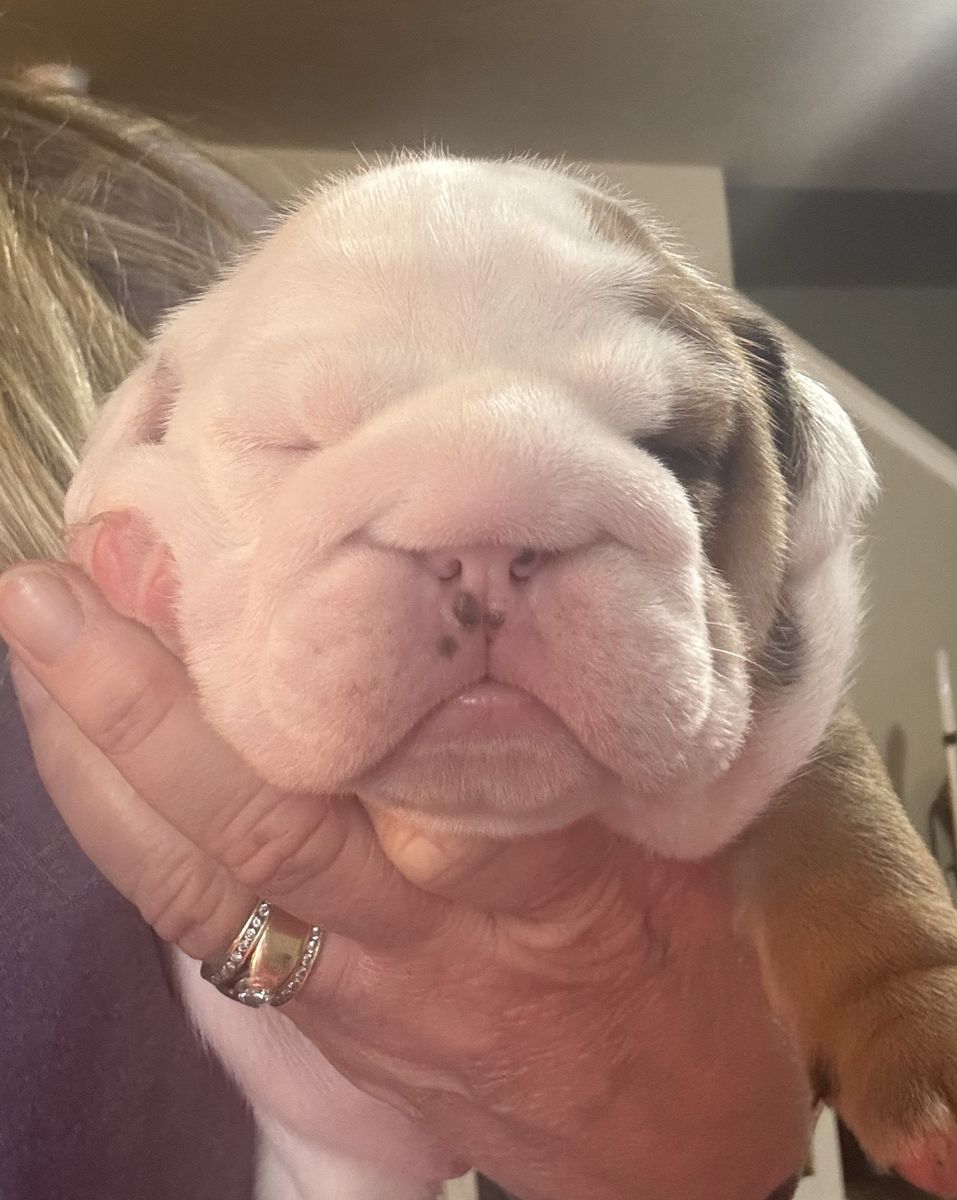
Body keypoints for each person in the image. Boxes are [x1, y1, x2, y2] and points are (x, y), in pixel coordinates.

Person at [0, 76, 810, 1200]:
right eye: (300, 445)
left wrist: (686, 1129)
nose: (481, 560)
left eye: (655, 444)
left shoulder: (109, 210)